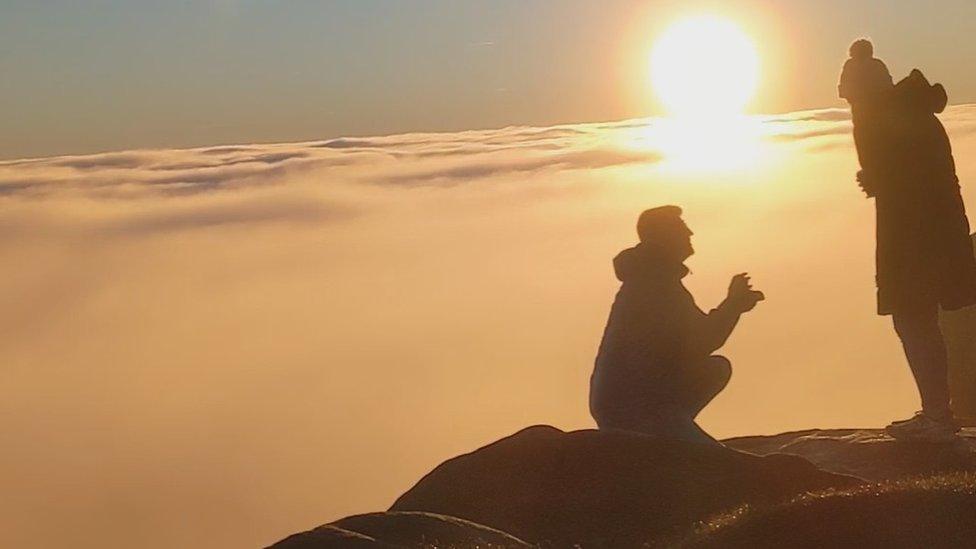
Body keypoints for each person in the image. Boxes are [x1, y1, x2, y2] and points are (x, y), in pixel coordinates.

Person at [846, 61, 976, 441]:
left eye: (851, 91)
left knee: (913, 318)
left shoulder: (892, 118)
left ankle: (937, 414)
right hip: (928, 232)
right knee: (916, 319)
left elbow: (909, 178)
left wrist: (877, 177)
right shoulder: (904, 112)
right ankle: (937, 411)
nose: (850, 100)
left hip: (917, 237)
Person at [589, 206, 764, 445]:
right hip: (635, 406)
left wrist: (734, 305)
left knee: (716, 368)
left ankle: (674, 426)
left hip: (636, 401)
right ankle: (671, 433)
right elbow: (702, 341)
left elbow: (700, 341)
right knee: (715, 459)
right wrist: (733, 305)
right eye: (681, 228)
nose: (690, 233)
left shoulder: (655, 279)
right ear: (664, 236)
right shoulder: (654, 284)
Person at [838, 38, 894, 191]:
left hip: (869, 115)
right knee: (869, 147)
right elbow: (889, 87)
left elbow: (843, 90)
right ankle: (873, 174)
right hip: (874, 115)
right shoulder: (874, 65)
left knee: (867, 147)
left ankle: (872, 174)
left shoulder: (853, 66)